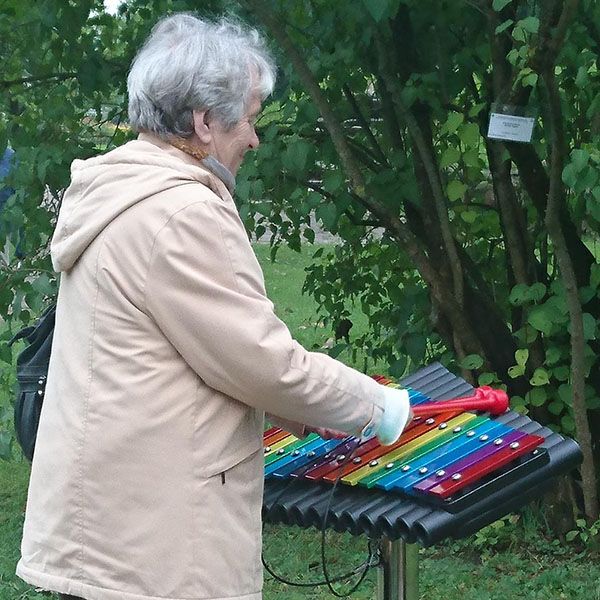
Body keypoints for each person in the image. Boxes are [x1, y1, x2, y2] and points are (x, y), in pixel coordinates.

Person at [16, 13, 411, 600]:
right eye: (249, 119)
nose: (254, 137)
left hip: (110, 527)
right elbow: (262, 361)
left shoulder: (122, 190)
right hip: (156, 552)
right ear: (204, 122)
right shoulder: (180, 213)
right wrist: (379, 406)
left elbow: (184, 354)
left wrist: (285, 406)